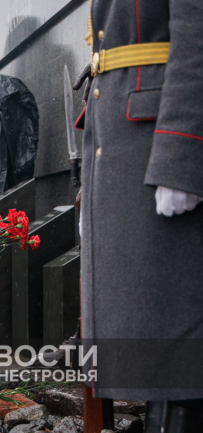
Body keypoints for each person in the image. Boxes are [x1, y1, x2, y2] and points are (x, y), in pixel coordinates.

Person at [75, 0, 203, 430]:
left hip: (157, 136)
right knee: (149, 314)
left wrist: (182, 150)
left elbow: (196, 30)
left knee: (172, 308)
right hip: (120, 139)